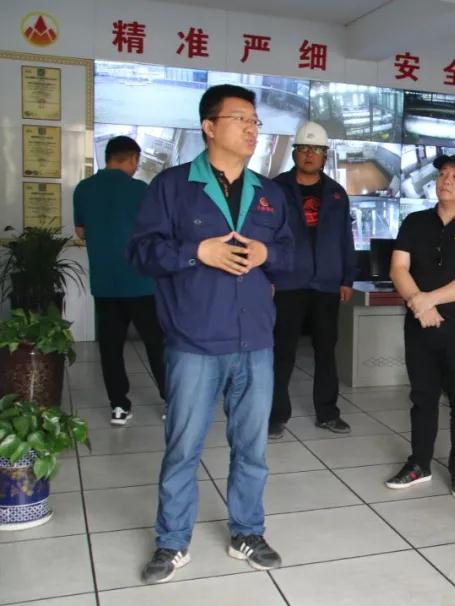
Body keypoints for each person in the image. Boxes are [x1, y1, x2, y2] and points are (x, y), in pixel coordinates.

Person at [128, 84, 294, 583]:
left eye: (255, 121)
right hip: (195, 341)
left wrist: (268, 255)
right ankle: (172, 541)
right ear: (209, 126)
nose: (252, 129)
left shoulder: (269, 194)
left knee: (252, 448)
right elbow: (140, 253)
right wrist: (197, 251)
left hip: (255, 342)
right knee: (183, 447)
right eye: (240, 119)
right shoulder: (172, 186)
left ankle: (248, 531)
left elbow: (291, 257)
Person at [384, 154, 455, 500]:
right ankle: (419, 463)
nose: (446, 180)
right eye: (443, 174)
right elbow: (398, 268)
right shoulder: (415, 222)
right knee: (422, 396)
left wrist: (426, 300)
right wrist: (419, 303)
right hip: (421, 325)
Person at [268, 121, 356, 439]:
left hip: (326, 284)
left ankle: (328, 413)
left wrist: (347, 278)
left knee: (326, 350)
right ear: (294, 153)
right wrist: (268, 275)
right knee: (282, 350)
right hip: (287, 281)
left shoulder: (336, 193)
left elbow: (345, 238)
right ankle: (275, 415)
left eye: (316, 150)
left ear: (324, 156)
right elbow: (265, 236)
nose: (309, 155)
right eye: (303, 148)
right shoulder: (275, 189)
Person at [74, 135, 166, 426]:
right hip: (142, 282)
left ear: (108, 157)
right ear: (133, 159)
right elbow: (156, 232)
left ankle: (119, 406)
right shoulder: (140, 189)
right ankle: (171, 400)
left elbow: (80, 232)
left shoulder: (84, 188)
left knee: (111, 347)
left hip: (105, 283)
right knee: (156, 344)